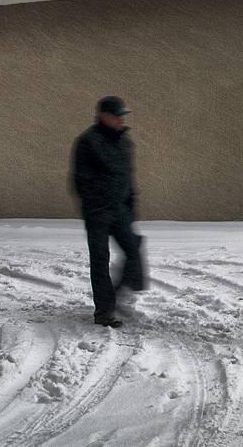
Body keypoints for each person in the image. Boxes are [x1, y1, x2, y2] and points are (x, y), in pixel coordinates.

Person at [72, 96, 146, 328]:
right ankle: (104, 313)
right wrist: (96, 206)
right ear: (103, 116)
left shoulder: (125, 140)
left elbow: (127, 177)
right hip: (98, 212)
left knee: (133, 249)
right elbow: (80, 180)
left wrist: (130, 206)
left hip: (120, 209)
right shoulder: (87, 142)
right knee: (100, 261)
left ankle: (117, 293)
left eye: (123, 114)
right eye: (117, 114)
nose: (121, 118)